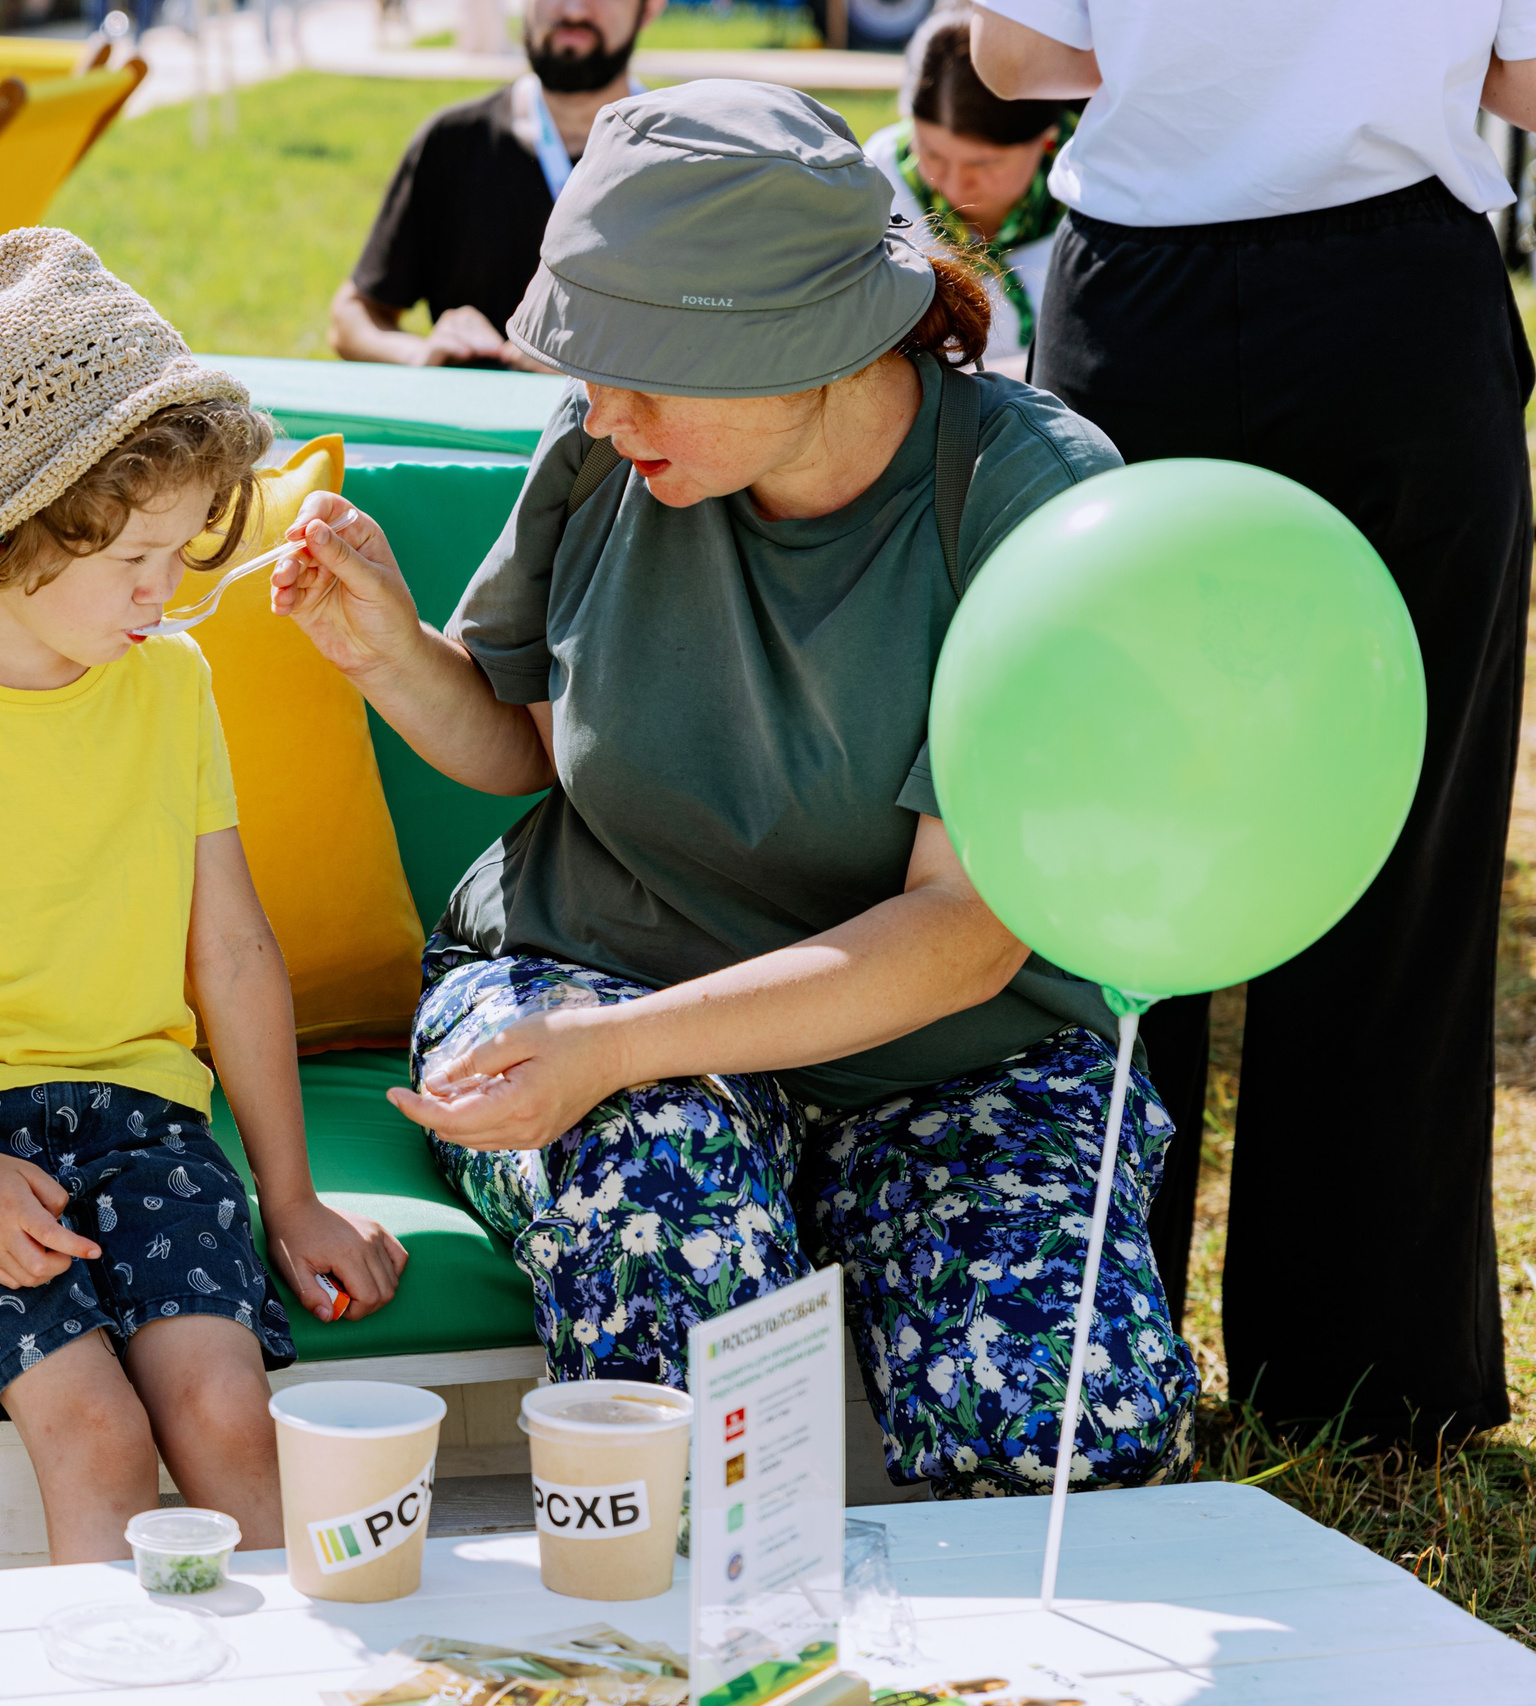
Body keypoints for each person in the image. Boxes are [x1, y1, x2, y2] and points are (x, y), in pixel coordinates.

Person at [270, 82, 1200, 1499]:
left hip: (950, 1051)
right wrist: (386, 651)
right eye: (591, 365)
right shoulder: (604, 443)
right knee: (666, 1239)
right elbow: (527, 746)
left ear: (805, 344)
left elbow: (966, 930)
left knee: (1067, 1442)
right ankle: (680, 1605)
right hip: (589, 967)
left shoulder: (1034, 499)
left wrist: (617, 1047)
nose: (603, 409)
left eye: (645, 372)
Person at [0, 229, 408, 1562]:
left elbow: (233, 950)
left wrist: (291, 1196)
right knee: (95, 1430)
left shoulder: (171, 680)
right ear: (9, 527)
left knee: (225, 1411)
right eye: (132, 559)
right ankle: (118, 1658)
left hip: (141, 1113)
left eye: (182, 553)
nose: (164, 595)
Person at [973, 2, 1531, 1449]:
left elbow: (1008, 58)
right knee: (1395, 831)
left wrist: (1190, 65)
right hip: (1398, 311)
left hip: (1137, 305)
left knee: (1094, 838)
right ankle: (1372, 1370)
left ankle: (1086, 1348)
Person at [331, 0, 661, 368]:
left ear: (651, 7)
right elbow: (352, 315)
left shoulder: (690, 160)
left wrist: (595, 369)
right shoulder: (452, 142)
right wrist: (420, 354)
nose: (573, 10)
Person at [862, 7, 1072, 379]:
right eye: (932, 155)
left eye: (984, 164)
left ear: (1047, 138)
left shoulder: (1092, 188)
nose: (956, 185)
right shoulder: (878, 179)